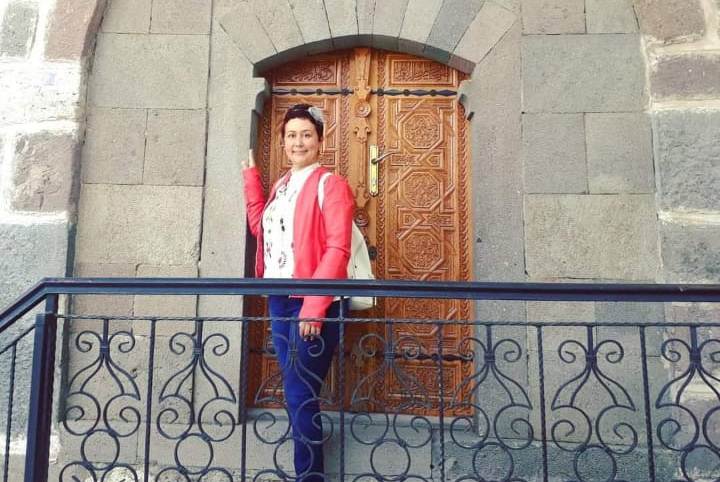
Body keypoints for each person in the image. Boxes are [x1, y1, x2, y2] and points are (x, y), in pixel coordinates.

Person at [241, 104, 355, 482]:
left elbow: (337, 249)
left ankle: (309, 476)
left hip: (313, 303)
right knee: (298, 392)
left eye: (306, 134)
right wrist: (251, 180)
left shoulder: (331, 185)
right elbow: (261, 229)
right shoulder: (282, 186)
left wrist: (313, 307)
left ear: (320, 141)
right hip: (279, 300)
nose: (298, 142)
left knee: (298, 392)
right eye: (291, 135)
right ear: (283, 141)